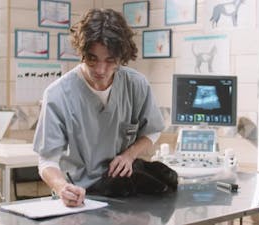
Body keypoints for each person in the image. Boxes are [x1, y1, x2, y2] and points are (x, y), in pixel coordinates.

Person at [33, 8, 164, 207]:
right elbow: (47, 161)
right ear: (81, 52)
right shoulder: (58, 95)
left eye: (110, 61)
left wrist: (129, 155)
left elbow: (152, 132)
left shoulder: (136, 85)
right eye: (92, 60)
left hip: (122, 195)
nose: (101, 70)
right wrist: (61, 187)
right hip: (79, 198)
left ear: (121, 57)